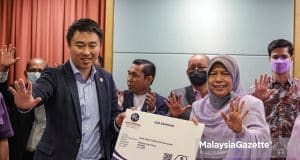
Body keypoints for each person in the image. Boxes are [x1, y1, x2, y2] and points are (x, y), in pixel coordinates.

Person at [9, 18, 122, 160]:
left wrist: (118, 122)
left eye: (92, 45)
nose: (86, 52)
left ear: (100, 46)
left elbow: (113, 114)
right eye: (80, 45)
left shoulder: (106, 78)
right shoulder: (54, 75)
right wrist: (28, 101)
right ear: (69, 45)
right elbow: (40, 90)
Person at [168, 55, 270, 159]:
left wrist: (241, 131)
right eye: (213, 74)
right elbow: (189, 147)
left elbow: (263, 141)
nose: (218, 79)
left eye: (225, 74)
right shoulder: (198, 107)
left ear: (234, 77)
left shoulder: (249, 104)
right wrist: (190, 132)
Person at [248, 39, 300, 159]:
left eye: (284, 56)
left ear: (291, 58)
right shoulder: (256, 89)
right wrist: (258, 101)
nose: (279, 60)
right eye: (275, 57)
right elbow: (246, 123)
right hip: (264, 154)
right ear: (269, 59)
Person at [0, 44, 48, 160]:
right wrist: (4, 69)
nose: (37, 74)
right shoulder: (16, 90)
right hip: (21, 152)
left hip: (47, 154)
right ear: (26, 73)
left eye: (41, 71)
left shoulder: (56, 94)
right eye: (33, 70)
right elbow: (2, 96)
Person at [168, 54, 209, 119]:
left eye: (200, 67)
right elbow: (168, 123)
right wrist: (175, 116)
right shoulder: (177, 94)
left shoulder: (219, 94)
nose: (196, 70)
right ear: (187, 72)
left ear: (210, 70)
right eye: (192, 68)